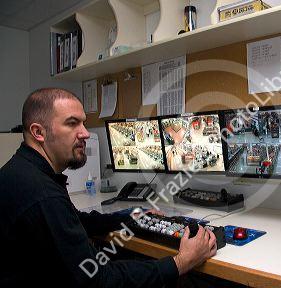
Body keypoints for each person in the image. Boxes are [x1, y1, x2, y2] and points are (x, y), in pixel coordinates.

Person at [0, 88, 217, 287]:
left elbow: (75, 221)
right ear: (39, 132)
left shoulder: (22, 172)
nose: (85, 133)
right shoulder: (43, 195)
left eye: (83, 123)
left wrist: (128, 218)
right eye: (72, 123)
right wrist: (181, 262)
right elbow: (100, 280)